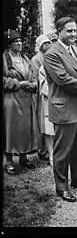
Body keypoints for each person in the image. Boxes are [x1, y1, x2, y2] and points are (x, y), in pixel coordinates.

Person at [43, 17, 77, 203]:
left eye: (75, 30)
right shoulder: (51, 54)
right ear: (59, 31)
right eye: (69, 31)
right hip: (64, 109)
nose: (73, 34)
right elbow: (63, 79)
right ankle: (61, 187)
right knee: (62, 150)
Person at [3, 30, 40, 174]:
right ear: (9, 44)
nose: (19, 44)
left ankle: (24, 157)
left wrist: (34, 84)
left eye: (20, 41)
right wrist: (19, 84)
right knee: (11, 130)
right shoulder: (4, 59)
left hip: (26, 99)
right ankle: (9, 161)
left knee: (25, 129)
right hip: (11, 100)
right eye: (15, 41)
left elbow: (33, 75)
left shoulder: (25, 58)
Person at [31, 34, 52, 161]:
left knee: (48, 122)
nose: (48, 45)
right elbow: (36, 78)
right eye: (45, 43)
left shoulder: (49, 57)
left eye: (49, 43)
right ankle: (42, 148)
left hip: (50, 93)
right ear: (40, 46)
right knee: (42, 120)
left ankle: (46, 149)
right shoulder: (36, 59)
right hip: (40, 93)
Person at [38, 64, 54, 166]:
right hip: (49, 100)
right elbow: (43, 86)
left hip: (62, 100)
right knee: (49, 130)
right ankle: (51, 154)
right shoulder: (43, 67)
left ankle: (58, 152)